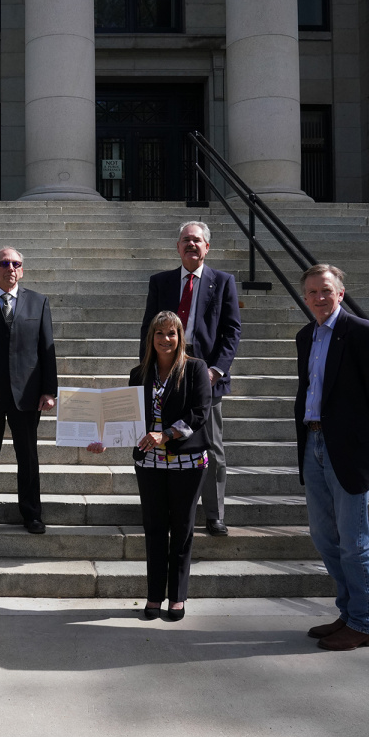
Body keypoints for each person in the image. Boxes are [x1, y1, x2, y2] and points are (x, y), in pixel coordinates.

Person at [295, 264, 369, 651]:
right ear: (305, 299)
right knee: (325, 537)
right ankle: (348, 612)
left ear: (340, 292)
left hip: (348, 450)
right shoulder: (305, 336)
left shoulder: (365, 333)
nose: (319, 298)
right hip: (314, 443)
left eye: (325, 290)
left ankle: (366, 622)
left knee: (354, 540)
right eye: (311, 292)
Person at [90, 310, 211, 622]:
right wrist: (106, 438)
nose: (165, 339)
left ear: (180, 337)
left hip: (188, 463)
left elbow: (200, 413)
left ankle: (178, 597)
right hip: (150, 464)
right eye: (159, 334)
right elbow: (128, 418)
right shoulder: (140, 373)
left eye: (171, 333)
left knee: (182, 530)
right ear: (151, 339)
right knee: (155, 530)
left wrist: (167, 434)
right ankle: (155, 595)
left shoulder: (196, 369)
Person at [141, 221, 241, 536]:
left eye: (197, 240)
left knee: (211, 445)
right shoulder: (161, 282)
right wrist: (148, 371)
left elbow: (231, 331)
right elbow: (149, 329)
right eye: (186, 240)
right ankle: (171, 509)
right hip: (166, 372)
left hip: (207, 373)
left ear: (207, 247)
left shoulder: (223, 282)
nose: (191, 245)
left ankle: (214, 515)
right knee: (166, 435)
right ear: (178, 246)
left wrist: (216, 369)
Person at [0, 247, 58, 534]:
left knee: (28, 457)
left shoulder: (38, 303)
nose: (11, 268)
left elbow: (46, 350)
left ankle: (32, 515)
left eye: (17, 263)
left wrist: (49, 390)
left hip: (26, 395)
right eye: (5, 263)